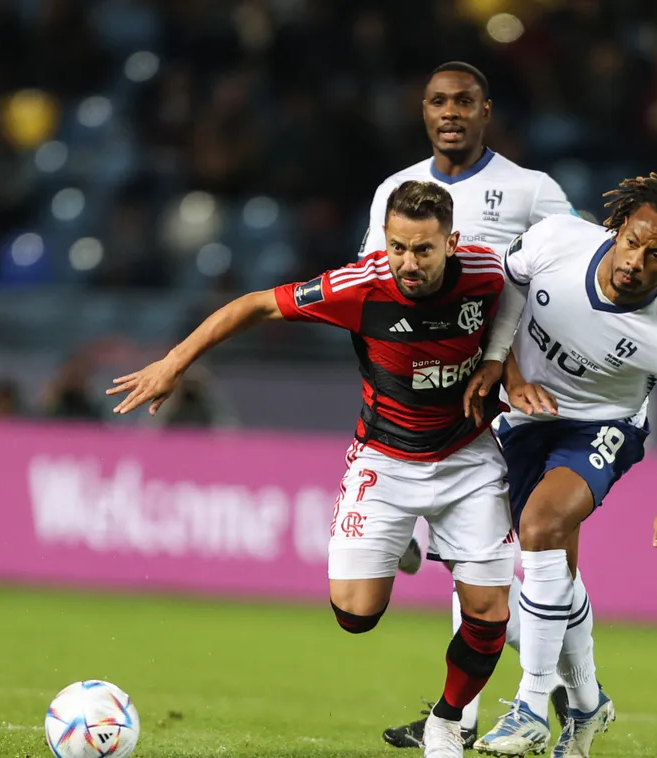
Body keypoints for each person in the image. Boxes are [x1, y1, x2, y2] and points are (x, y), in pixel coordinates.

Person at [108, 181, 515, 758]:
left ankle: (447, 722)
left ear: (451, 242)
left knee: (487, 610)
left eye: (423, 250)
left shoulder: (490, 270)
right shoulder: (362, 286)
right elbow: (254, 304)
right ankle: (399, 541)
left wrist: (502, 364)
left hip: (468, 457)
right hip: (386, 459)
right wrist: (175, 362)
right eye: (398, 246)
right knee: (354, 615)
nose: (408, 262)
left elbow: (529, 299)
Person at [463, 170, 657, 758]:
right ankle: (587, 704)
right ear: (615, 228)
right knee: (512, 571)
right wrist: (502, 365)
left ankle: (530, 708)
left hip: (599, 427)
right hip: (519, 412)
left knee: (541, 527)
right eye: (633, 240)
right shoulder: (556, 240)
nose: (636, 260)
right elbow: (508, 286)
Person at [375, 60, 579, 751]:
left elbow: (574, 276)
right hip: (432, 407)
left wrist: (520, 368)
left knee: (522, 564)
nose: (450, 111)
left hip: (519, 401)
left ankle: (571, 694)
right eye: (437, 101)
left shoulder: (533, 191)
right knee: (472, 574)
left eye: (464, 100)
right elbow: (374, 309)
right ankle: (460, 716)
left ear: (486, 110)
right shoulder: (395, 192)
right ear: (423, 110)